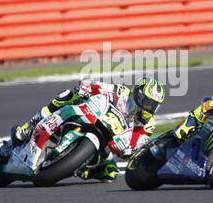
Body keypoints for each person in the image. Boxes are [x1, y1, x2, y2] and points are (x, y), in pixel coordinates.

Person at [11, 77, 166, 182]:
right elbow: (96, 86)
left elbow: (137, 142)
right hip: (93, 115)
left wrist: (131, 149)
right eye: (148, 102)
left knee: (110, 173)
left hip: (109, 142)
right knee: (67, 95)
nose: (149, 108)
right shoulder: (121, 91)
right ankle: (31, 124)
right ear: (138, 95)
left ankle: (81, 169)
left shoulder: (147, 124)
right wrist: (86, 87)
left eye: (154, 105)